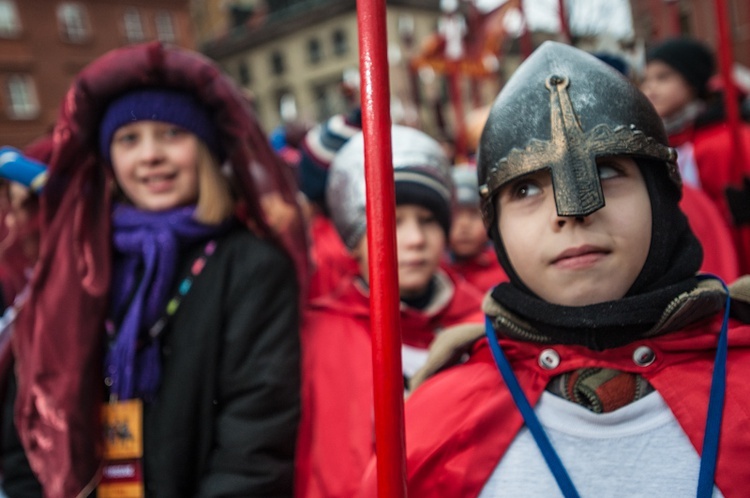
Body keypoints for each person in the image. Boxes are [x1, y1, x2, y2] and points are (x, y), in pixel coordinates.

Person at [359, 41, 750, 497]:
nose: (572, 211)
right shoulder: (435, 428)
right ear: (496, 228)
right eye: (524, 189)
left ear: (659, 195)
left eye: (606, 169)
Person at [6, 41, 302, 498]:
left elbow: (256, 437)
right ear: (110, 160)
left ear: (205, 149)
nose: (150, 156)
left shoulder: (251, 268)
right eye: (129, 139)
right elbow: (28, 411)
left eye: (171, 134)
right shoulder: (80, 264)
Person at [296, 125, 485, 498]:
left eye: (428, 220)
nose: (415, 239)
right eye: (392, 222)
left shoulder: (482, 325)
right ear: (355, 240)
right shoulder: (318, 334)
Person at [641, 36, 750, 274]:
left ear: (691, 82)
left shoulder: (722, 142)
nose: (650, 88)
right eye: (646, 78)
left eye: (663, 77)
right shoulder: (659, 141)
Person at [445, 164, 507, 292]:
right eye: (455, 215)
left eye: (474, 215)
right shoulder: (436, 273)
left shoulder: (504, 272)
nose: (464, 225)